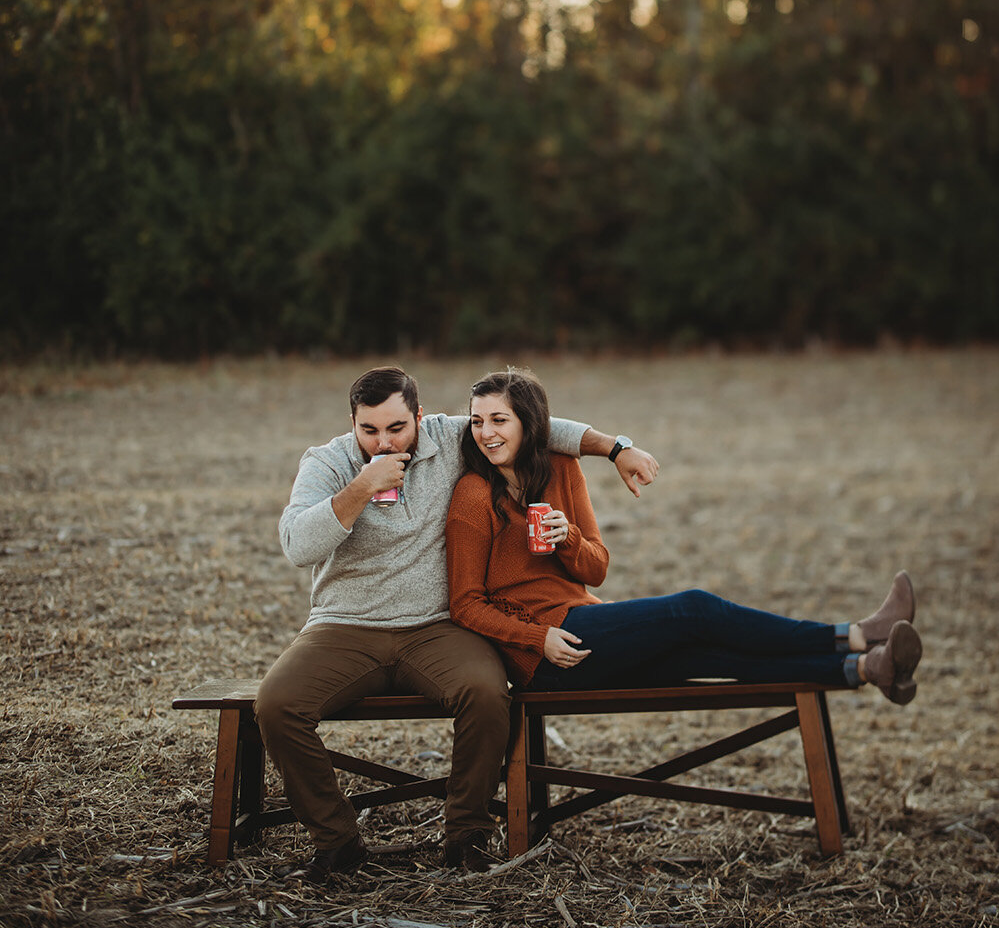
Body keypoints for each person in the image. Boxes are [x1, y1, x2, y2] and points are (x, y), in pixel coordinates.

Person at [254, 364, 660, 881]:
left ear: (420, 417)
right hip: (345, 627)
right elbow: (296, 546)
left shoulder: (450, 437)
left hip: (436, 627)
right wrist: (360, 487)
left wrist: (617, 449)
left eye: (397, 428)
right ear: (351, 423)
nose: (383, 441)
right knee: (277, 705)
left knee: (488, 694)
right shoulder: (328, 463)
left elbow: (536, 425)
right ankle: (338, 843)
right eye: (369, 430)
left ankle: (465, 837)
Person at [446, 368, 923, 706]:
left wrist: (568, 538)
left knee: (706, 653)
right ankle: (857, 635)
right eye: (478, 421)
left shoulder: (563, 469)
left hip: (585, 621)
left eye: (499, 419)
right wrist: (537, 637)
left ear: (531, 424)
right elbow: (466, 604)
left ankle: (865, 669)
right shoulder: (472, 495)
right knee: (693, 608)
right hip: (544, 656)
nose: (486, 433)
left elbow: (597, 569)